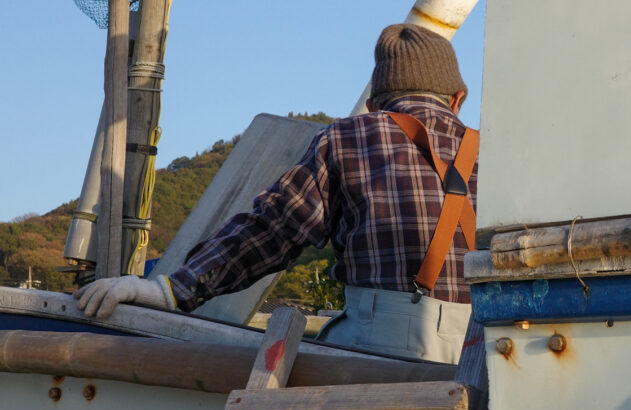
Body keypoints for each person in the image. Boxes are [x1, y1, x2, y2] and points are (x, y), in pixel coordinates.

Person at [74, 23, 479, 364]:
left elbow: (275, 229)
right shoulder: (495, 149)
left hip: (384, 352)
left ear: (374, 104)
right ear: (457, 99)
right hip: (490, 348)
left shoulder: (349, 136)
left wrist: (171, 290)